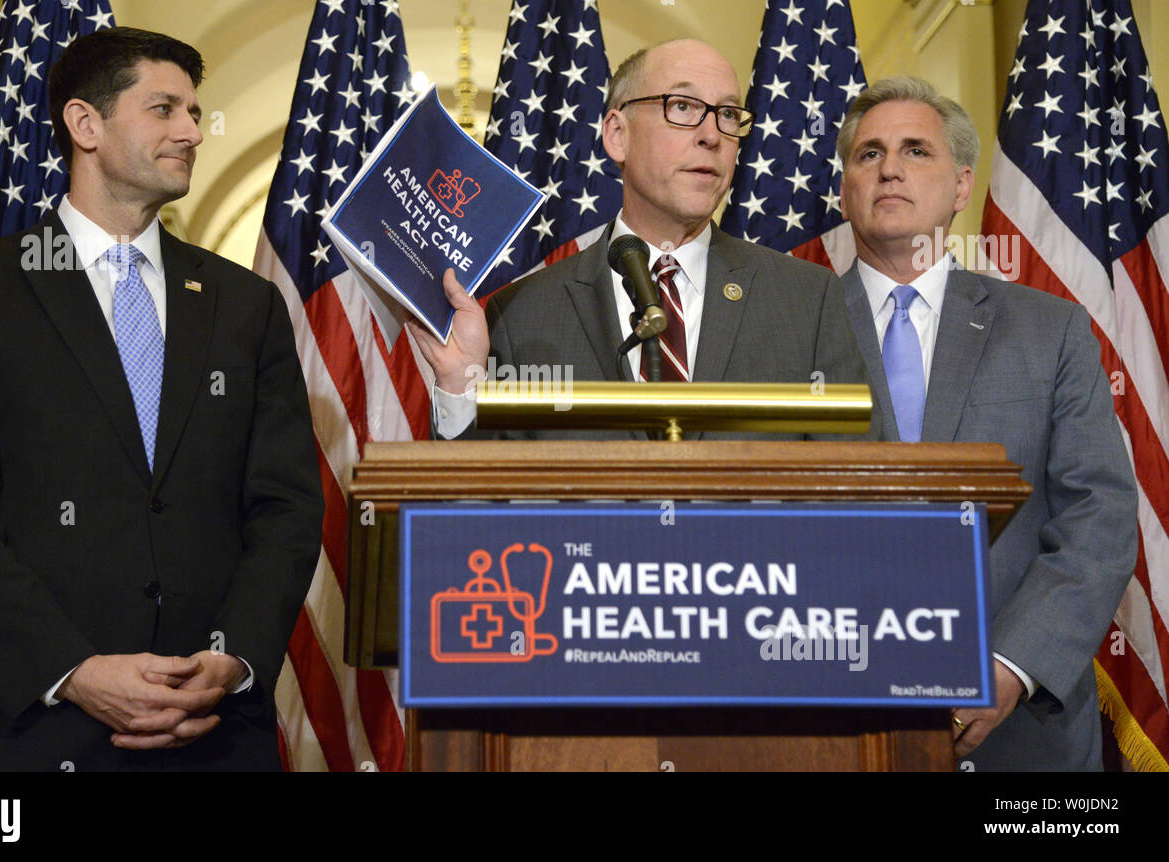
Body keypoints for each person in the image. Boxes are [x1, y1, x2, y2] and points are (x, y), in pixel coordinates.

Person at [0, 27, 323, 770]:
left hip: (211, 737)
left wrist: (235, 660)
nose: (192, 130)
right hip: (21, 734)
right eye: (164, 109)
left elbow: (285, 508)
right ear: (84, 124)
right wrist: (74, 671)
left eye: (194, 111)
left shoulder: (245, 306)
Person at [836, 76, 1137, 770]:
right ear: (847, 187)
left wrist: (1009, 665)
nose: (889, 168)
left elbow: (1102, 512)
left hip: (1024, 737)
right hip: (837, 716)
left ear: (962, 184)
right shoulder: (793, 328)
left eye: (916, 151)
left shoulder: (1050, 329)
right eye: (868, 153)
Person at [411, 39, 870, 439]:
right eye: (683, 107)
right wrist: (461, 385)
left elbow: (853, 493)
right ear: (617, 135)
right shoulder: (521, 315)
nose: (712, 135)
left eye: (729, 115)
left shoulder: (808, 301)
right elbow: (482, 508)